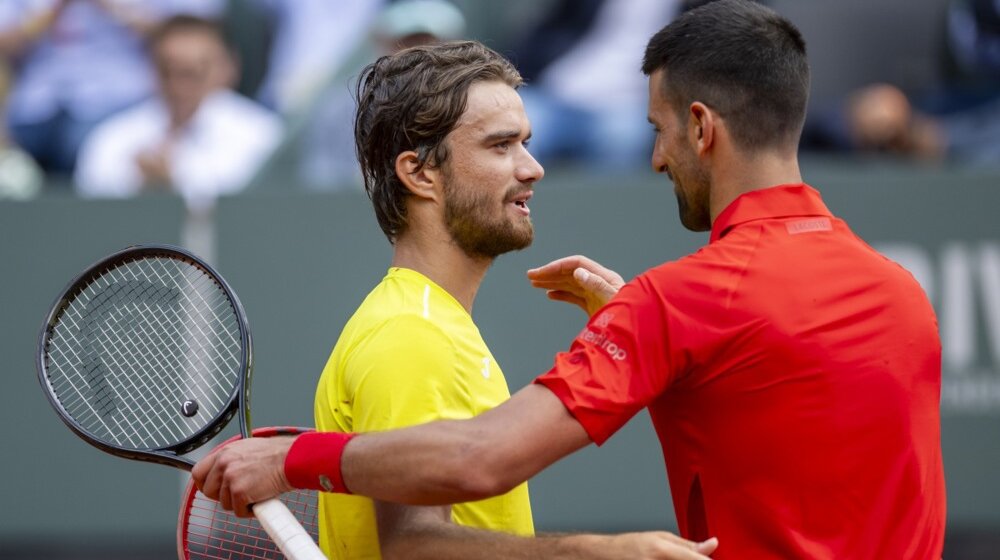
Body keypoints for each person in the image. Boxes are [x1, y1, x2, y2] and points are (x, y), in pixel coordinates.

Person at [193, 2, 947, 558]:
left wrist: (293, 459)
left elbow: (478, 457)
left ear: (702, 128)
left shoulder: (677, 305)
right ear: (417, 174)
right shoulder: (902, 293)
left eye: (658, 132)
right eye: (503, 145)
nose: (655, 158)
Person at [206, 40, 716, 560]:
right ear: (420, 173)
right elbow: (412, 545)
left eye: (526, 142)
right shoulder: (410, 336)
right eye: (501, 146)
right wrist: (601, 554)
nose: (533, 167)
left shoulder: (428, 323)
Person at [73, 14, 282, 212]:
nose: (180, 85)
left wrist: (175, 180)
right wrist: (139, 181)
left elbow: (247, 208)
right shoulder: (113, 135)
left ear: (229, 68)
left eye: (194, 72)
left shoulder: (260, 133)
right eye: (168, 70)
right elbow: (92, 200)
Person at [0, 0, 224, 177]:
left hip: (117, 101)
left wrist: (111, 6)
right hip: (34, 104)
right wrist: (54, 10)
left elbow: (191, 36)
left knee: (92, 148)